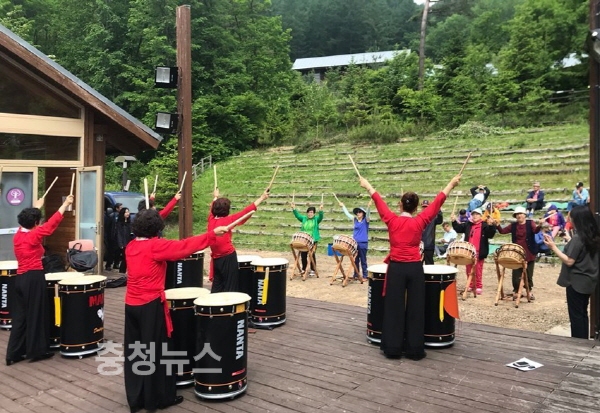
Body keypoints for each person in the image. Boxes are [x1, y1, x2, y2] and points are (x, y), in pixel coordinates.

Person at [124, 208, 228, 412]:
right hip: (150, 305)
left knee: (136, 351)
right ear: (156, 228)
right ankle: (157, 399)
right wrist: (212, 235)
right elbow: (184, 247)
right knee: (156, 352)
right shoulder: (155, 246)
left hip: (131, 305)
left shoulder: (131, 245)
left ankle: (136, 399)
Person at [359, 173, 461, 360]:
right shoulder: (420, 220)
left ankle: (393, 348)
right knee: (416, 307)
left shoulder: (392, 220)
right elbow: (438, 202)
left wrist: (367, 186)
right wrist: (451, 184)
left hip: (397, 268)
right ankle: (414, 349)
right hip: (414, 268)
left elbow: (378, 201)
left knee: (394, 306)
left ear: (400, 205)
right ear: (416, 207)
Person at [6, 194, 74, 366]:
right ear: (36, 223)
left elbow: (29, 221)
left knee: (20, 318)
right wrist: (65, 204)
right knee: (37, 314)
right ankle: (37, 351)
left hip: (20, 279)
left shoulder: (18, 234)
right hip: (33, 278)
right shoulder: (34, 235)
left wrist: (37, 207)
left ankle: (13, 353)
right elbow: (51, 224)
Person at [544, 206, 600, 339]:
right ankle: (584, 341)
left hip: (576, 282)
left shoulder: (578, 238)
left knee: (576, 316)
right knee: (582, 313)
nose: (570, 220)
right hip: (588, 281)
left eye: (572, 218)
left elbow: (569, 261)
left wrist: (553, 247)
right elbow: (581, 251)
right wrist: (569, 238)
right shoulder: (592, 236)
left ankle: (578, 343)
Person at [208, 189, 269, 292]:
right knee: (229, 286)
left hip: (220, 258)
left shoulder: (211, 219)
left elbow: (212, 208)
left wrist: (215, 197)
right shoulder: (228, 220)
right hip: (226, 258)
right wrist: (262, 197)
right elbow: (246, 211)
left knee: (218, 286)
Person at [495, 206, 542, 300]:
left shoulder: (530, 223)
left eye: (520, 214)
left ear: (524, 215)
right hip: (517, 253)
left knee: (529, 273)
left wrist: (540, 225)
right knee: (516, 273)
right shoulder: (513, 225)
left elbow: (535, 231)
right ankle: (516, 290)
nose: (519, 215)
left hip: (529, 251)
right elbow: (502, 231)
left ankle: (529, 290)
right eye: (517, 214)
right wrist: (497, 225)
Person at [451, 208, 496, 295]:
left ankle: (478, 286)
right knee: (468, 269)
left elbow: (491, 235)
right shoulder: (468, 224)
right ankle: (471, 285)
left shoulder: (485, 225)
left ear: (480, 216)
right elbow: (458, 228)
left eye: (477, 214)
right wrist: (454, 221)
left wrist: (491, 226)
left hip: (479, 251)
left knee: (478, 270)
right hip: (468, 251)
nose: (475, 216)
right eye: (473, 214)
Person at [339, 199, 372, 280]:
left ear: (363, 213)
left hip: (363, 243)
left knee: (363, 260)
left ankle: (365, 275)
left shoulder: (366, 220)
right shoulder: (355, 220)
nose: (358, 213)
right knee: (355, 260)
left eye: (360, 212)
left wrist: (369, 207)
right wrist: (343, 206)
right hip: (355, 243)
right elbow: (347, 214)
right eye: (357, 212)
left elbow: (368, 214)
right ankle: (356, 274)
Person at [291, 203, 324, 276]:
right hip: (304, 240)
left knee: (311, 254)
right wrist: (294, 208)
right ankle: (304, 268)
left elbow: (321, 217)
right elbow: (297, 215)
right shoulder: (304, 218)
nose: (310, 214)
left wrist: (321, 210)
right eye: (308, 212)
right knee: (303, 254)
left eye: (311, 212)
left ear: (314, 213)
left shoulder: (316, 219)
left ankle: (313, 269)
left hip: (313, 240)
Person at [420, 200, 443, 265]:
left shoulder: (433, 218)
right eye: (424, 207)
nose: (425, 208)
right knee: (418, 265)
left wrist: (439, 210)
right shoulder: (418, 218)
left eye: (426, 207)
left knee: (429, 264)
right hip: (419, 246)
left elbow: (440, 220)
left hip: (429, 245)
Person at [114, 207, 132, 274]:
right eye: (126, 212)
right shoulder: (119, 223)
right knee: (125, 257)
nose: (128, 213)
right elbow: (118, 234)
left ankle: (123, 270)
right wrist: (120, 243)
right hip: (123, 243)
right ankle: (122, 270)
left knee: (127, 257)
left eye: (128, 212)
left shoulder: (129, 223)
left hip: (128, 242)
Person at [104, 202, 122, 271]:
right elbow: (108, 227)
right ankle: (108, 264)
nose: (121, 209)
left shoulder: (121, 216)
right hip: (112, 236)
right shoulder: (112, 216)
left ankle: (116, 264)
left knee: (118, 251)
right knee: (111, 251)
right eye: (120, 208)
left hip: (118, 236)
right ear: (117, 208)